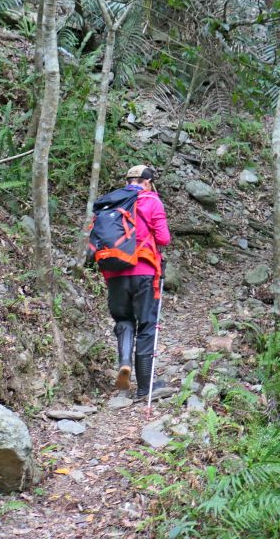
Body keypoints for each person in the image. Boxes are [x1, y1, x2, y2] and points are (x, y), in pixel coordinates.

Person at [100, 165, 171, 397]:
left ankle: (124, 363)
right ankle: (144, 388)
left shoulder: (112, 202)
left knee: (123, 319)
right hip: (144, 271)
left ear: (128, 180)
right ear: (148, 182)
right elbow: (164, 238)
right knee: (147, 325)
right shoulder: (152, 201)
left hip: (114, 271)